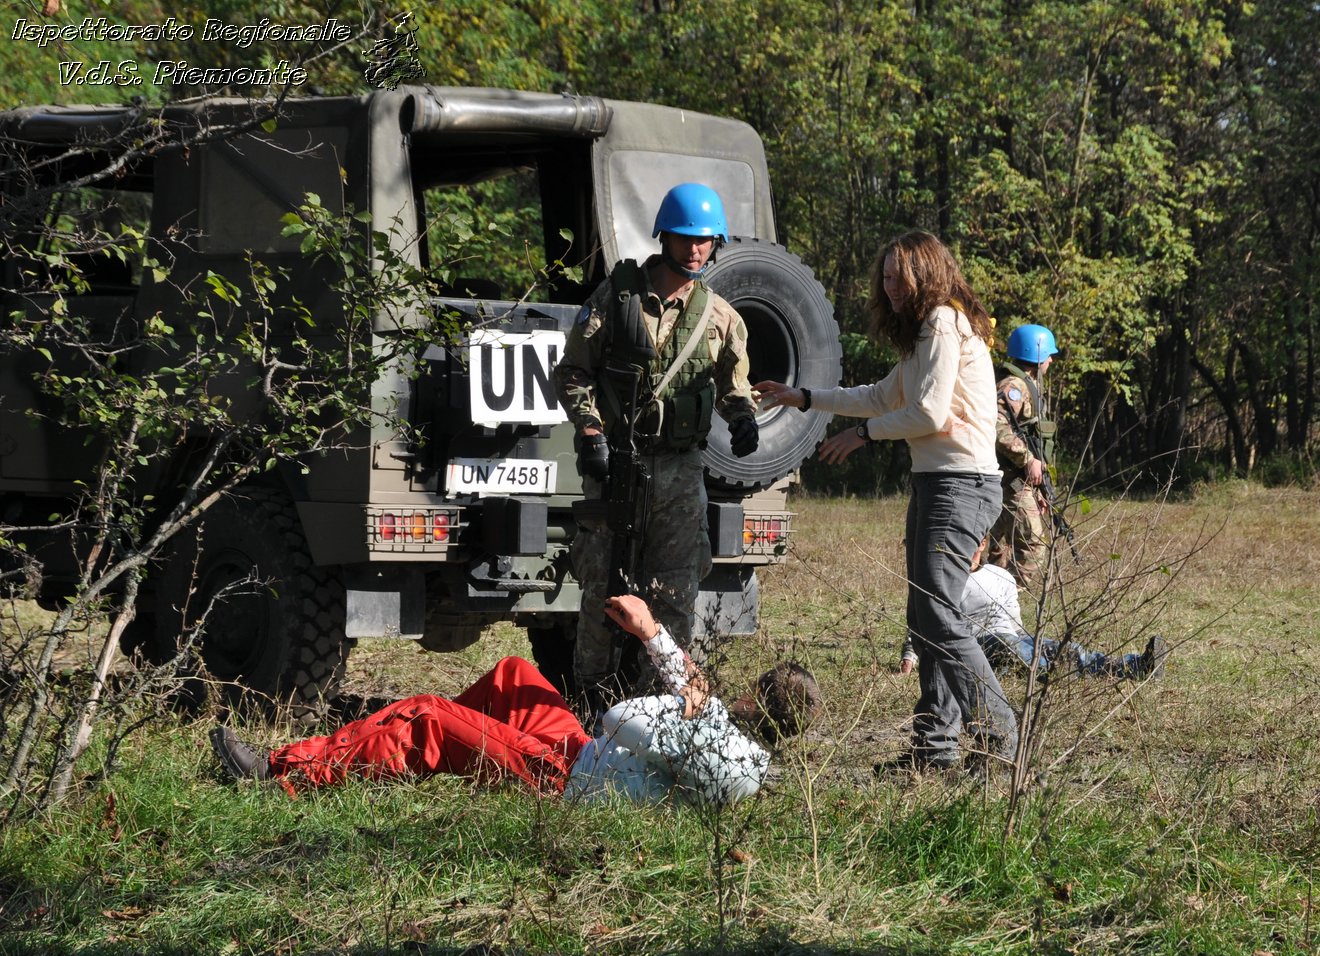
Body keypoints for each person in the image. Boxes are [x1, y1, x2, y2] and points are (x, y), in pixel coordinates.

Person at [754, 231, 1014, 773]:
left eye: (899, 275)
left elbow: (929, 415)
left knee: (939, 616)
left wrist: (865, 436)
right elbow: (879, 395)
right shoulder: (926, 334)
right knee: (926, 618)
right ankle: (935, 750)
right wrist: (802, 397)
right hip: (936, 482)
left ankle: (1001, 736)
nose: (889, 286)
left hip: (960, 485)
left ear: (927, 273)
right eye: (885, 277)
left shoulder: (943, 321)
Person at [209, 596, 821, 807]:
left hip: (568, 780)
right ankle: (400, 748)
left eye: (749, 692)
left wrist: (679, 700)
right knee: (513, 673)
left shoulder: (730, 761)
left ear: (756, 704)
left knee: (427, 713)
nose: (735, 694)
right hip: (588, 756)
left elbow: (620, 718)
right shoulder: (735, 742)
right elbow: (697, 708)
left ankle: (282, 773)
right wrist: (652, 632)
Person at [552, 183, 760, 705]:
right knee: (603, 584)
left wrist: (743, 419)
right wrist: (591, 430)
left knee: (674, 590)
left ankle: (662, 704)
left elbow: (735, 387)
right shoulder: (618, 298)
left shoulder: (720, 317)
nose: (696, 250)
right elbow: (573, 371)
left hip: (679, 472)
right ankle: (591, 703)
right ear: (664, 236)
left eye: (706, 240)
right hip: (617, 464)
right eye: (687, 238)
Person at [900, 539, 1169, 681]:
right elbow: (922, 622)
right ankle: (1053, 673)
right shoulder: (943, 581)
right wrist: (910, 658)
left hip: (1014, 643)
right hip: (974, 648)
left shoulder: (1000, 575)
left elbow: (1014, 626)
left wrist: (1039, 644)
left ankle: (1132, 666)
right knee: (1005, 643)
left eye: (973, 541)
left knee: (1067, 648)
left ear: (982, 543)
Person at [990, 323, 1059, 590]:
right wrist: (1028, 459)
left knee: (998, 546)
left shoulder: (1026, 385)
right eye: (1048, 354)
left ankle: (991, 601)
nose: (1051, 360)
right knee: (1033, 544)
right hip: (1009, 478)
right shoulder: (1013, 387)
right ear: (1036, 354)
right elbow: (996, 427)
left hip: (1015, 480)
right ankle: (1007, 596)